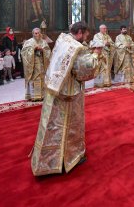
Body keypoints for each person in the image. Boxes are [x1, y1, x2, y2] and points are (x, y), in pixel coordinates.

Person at [31, 22, 102, 176]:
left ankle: (45, 161)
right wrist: (96, 53)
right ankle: (67, 159)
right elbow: (83, 71)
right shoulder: (77, 48)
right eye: (86, 36)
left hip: (53, 89)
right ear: (80, 32)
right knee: (66, 126)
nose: (85, 40)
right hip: (67, 95)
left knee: (50, 125)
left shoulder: (62, 39)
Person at [21, 28, 51, 101]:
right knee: (34, 80)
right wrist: (33, 49)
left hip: (41, 65)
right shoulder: (29, 42)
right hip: (33, 66)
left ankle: (42, 95)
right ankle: (34, 96)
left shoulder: (44, 42)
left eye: (38, 33)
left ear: (40, 33)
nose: (37, 34)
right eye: (35, 33)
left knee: (42, 79)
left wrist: (42, 50)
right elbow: (24, 53)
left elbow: (48, 52)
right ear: (33, 34)